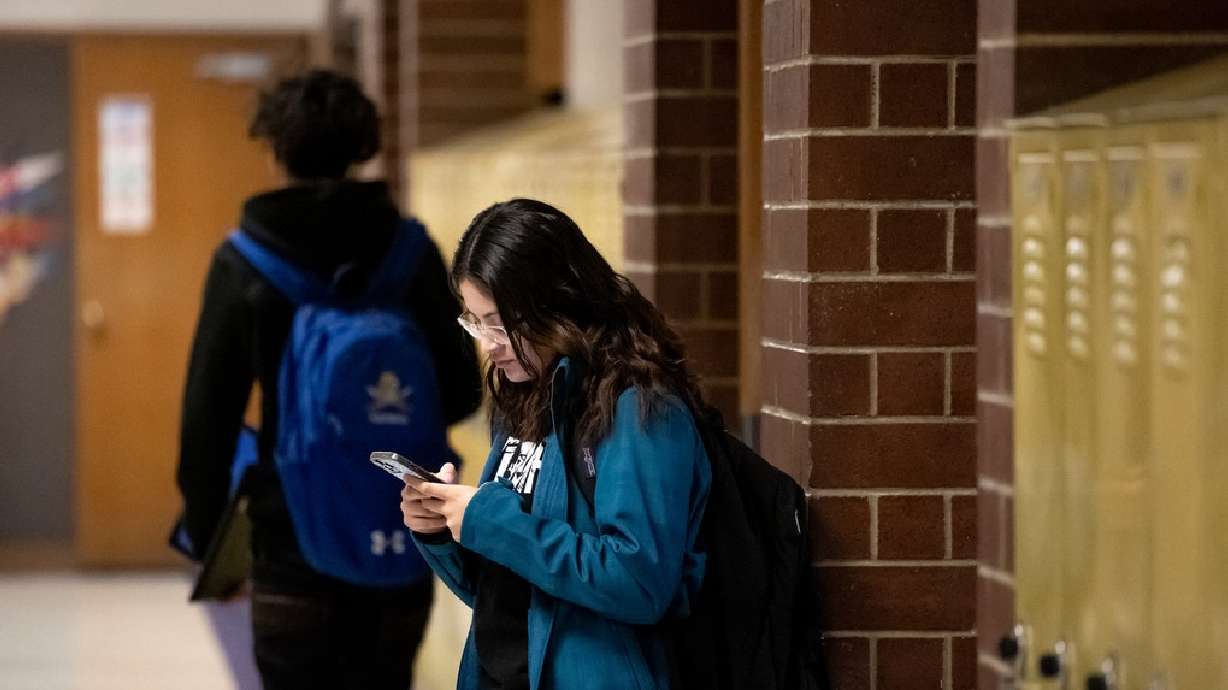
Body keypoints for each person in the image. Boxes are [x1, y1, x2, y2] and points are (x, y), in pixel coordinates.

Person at [176, 69, 482, 690]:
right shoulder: (411, 252)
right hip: (397, 534)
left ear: (276, 148)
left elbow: (206, 422)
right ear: (362, 147)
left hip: (289, 540)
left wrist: (215, 550)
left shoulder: (244, 261)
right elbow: (462, 392)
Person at [400, 198, 712, 690]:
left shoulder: (639, 407)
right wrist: (443, 534)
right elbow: (509, 590)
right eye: (474, 322)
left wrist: (488, 520)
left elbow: (638, 582)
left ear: (558, 304)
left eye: (500, 323)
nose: (488, 343)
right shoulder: (525, 395)